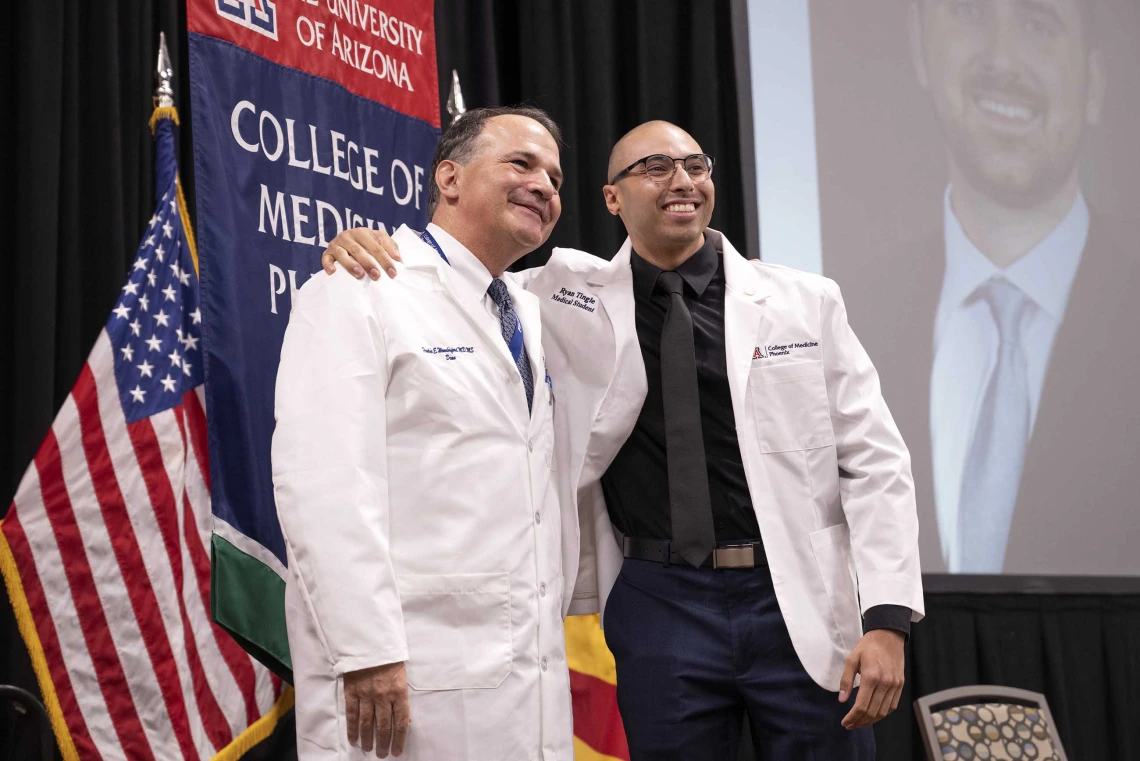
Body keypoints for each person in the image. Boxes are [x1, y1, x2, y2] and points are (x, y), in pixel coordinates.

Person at [324, 120, 924, 759]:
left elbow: (876, 461)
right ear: (613, 199)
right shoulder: (554, 296)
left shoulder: (807, 301)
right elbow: (458, 279)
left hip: (797, 594)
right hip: (659, 598)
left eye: (696, 165)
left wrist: (887, 618)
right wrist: (372, 246)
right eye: (657, 168)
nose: (683, 181)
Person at [271, 106, 578, 761]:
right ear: (450, 177)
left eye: (555, 176)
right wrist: (366, 648)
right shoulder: (359, 286)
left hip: (524, 673)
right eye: (521, 163)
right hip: (405, 672)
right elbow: (323, 481)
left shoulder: (526, 309)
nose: (545, 185)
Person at [834, 0, 1140, 574]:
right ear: (922, 46)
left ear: (1093, 85)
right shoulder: (845, 323)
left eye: (1038, 23)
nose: (1002, 58)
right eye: (971, 13)